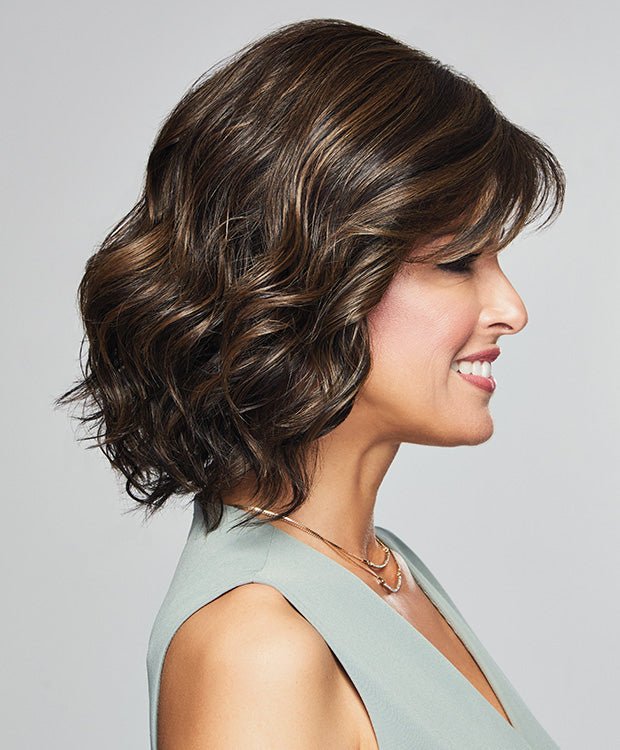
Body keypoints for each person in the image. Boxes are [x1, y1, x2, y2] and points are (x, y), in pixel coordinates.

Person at [56, 17, 566, 750]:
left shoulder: (383, 569)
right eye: (458, 262)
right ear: (313, 277)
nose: (511, 309)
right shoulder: (256, 650)